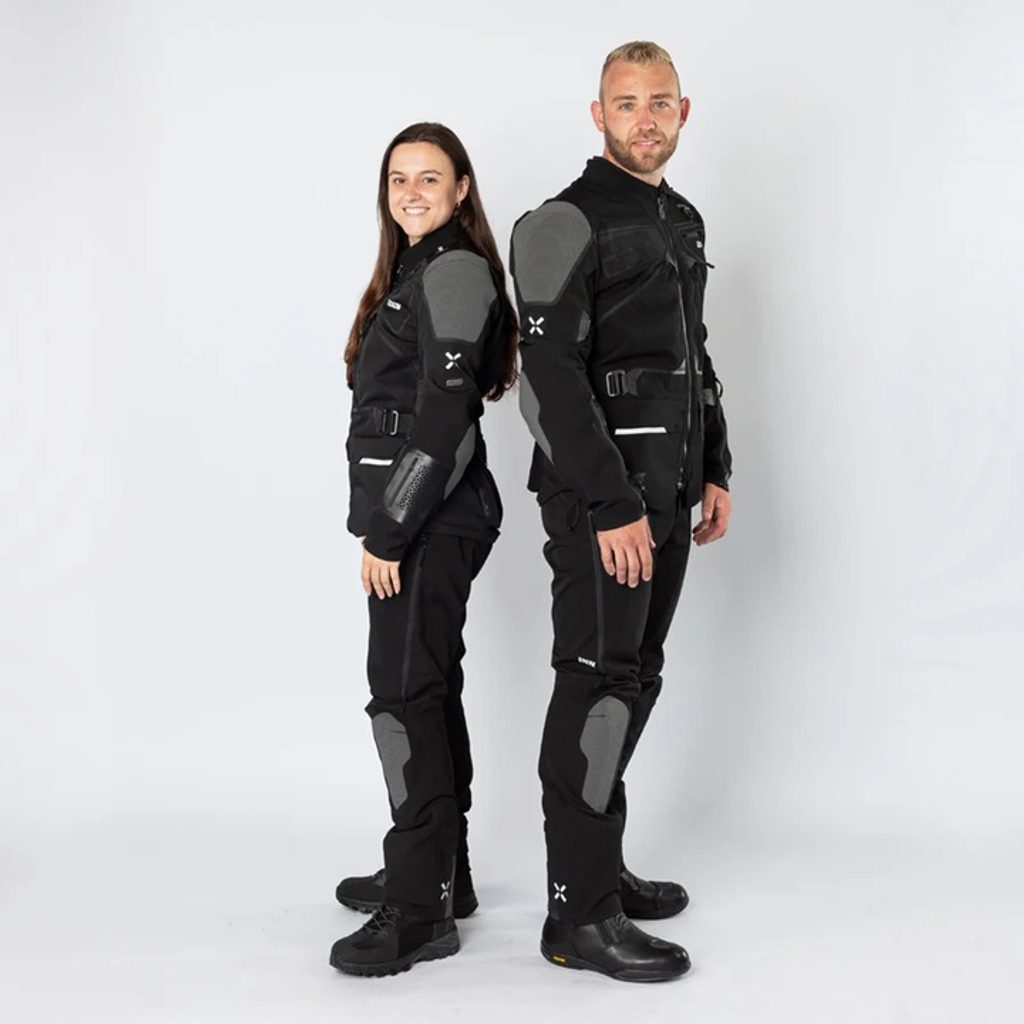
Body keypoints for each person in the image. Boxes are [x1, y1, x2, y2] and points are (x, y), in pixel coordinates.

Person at [509, 40, 733, 982]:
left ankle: (599, 866)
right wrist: (610, 504)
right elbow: (548, 380)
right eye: (627, 102)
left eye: (660, 102)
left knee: (635, 679)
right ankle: (579, 914)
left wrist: (714, 467)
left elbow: (694, 355)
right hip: (603, 509)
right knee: (598, 690)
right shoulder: (561, 221)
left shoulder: (680, 218)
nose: (646, 118)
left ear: (684, 112)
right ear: (598, 115)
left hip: (671, 500)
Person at [330, 122, 517, 977]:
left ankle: (418, 910)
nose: (410, 192)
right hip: (421, 521)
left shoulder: (455, 270)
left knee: (403, 697)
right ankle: (443, 874)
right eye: (398, 179)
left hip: (430, 523)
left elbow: (445, 419)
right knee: (426, 692)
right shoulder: (413, 271)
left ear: (462, 188)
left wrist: (390, 529)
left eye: (429, 178)